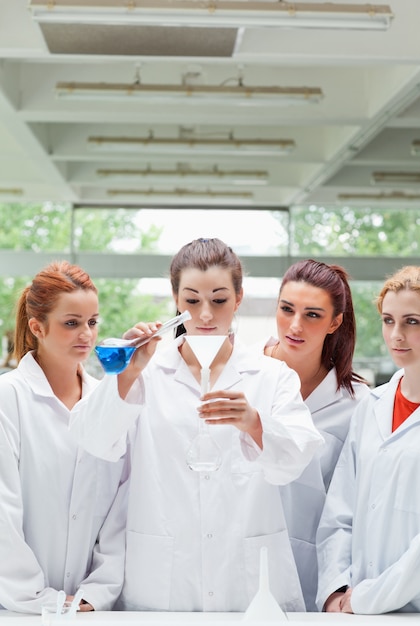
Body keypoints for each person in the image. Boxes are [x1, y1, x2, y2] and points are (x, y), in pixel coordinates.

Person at [70, 237, 324, 612]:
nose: (205, 315)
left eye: (219, 300)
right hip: (163, 578)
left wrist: (255, 423)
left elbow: (295, 461)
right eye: (191, 301)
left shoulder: (271, 377)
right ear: (175, 300)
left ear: (238, 299)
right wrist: (126, 374)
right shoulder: (148, 371)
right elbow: (92, 439)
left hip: (246, 579)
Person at [316, 265, 420, 614]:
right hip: (354, 608)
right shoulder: (370, 407)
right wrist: (335, 590)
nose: (396, 335)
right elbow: (339, 512)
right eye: (388, 320)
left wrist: (367, 599)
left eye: (412, 322)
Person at [0, 261, 129, 614]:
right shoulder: (8, 399)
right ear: (37, 326)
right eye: (71, 323)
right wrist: (38, 598)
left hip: (92, 610)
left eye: (92, 322)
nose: (87, 335)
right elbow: (2, 516)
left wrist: (97, 593)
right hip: (18, 609)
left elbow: (121, 510)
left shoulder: (108, 402)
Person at [262, 259, 370, 610]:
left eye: (312, 315)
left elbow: (354, 504)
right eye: (286, 309)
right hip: (243, 563)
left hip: (316, 575)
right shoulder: (243, 376)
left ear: (335, 322)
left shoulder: (357, 403)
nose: (294, 326)